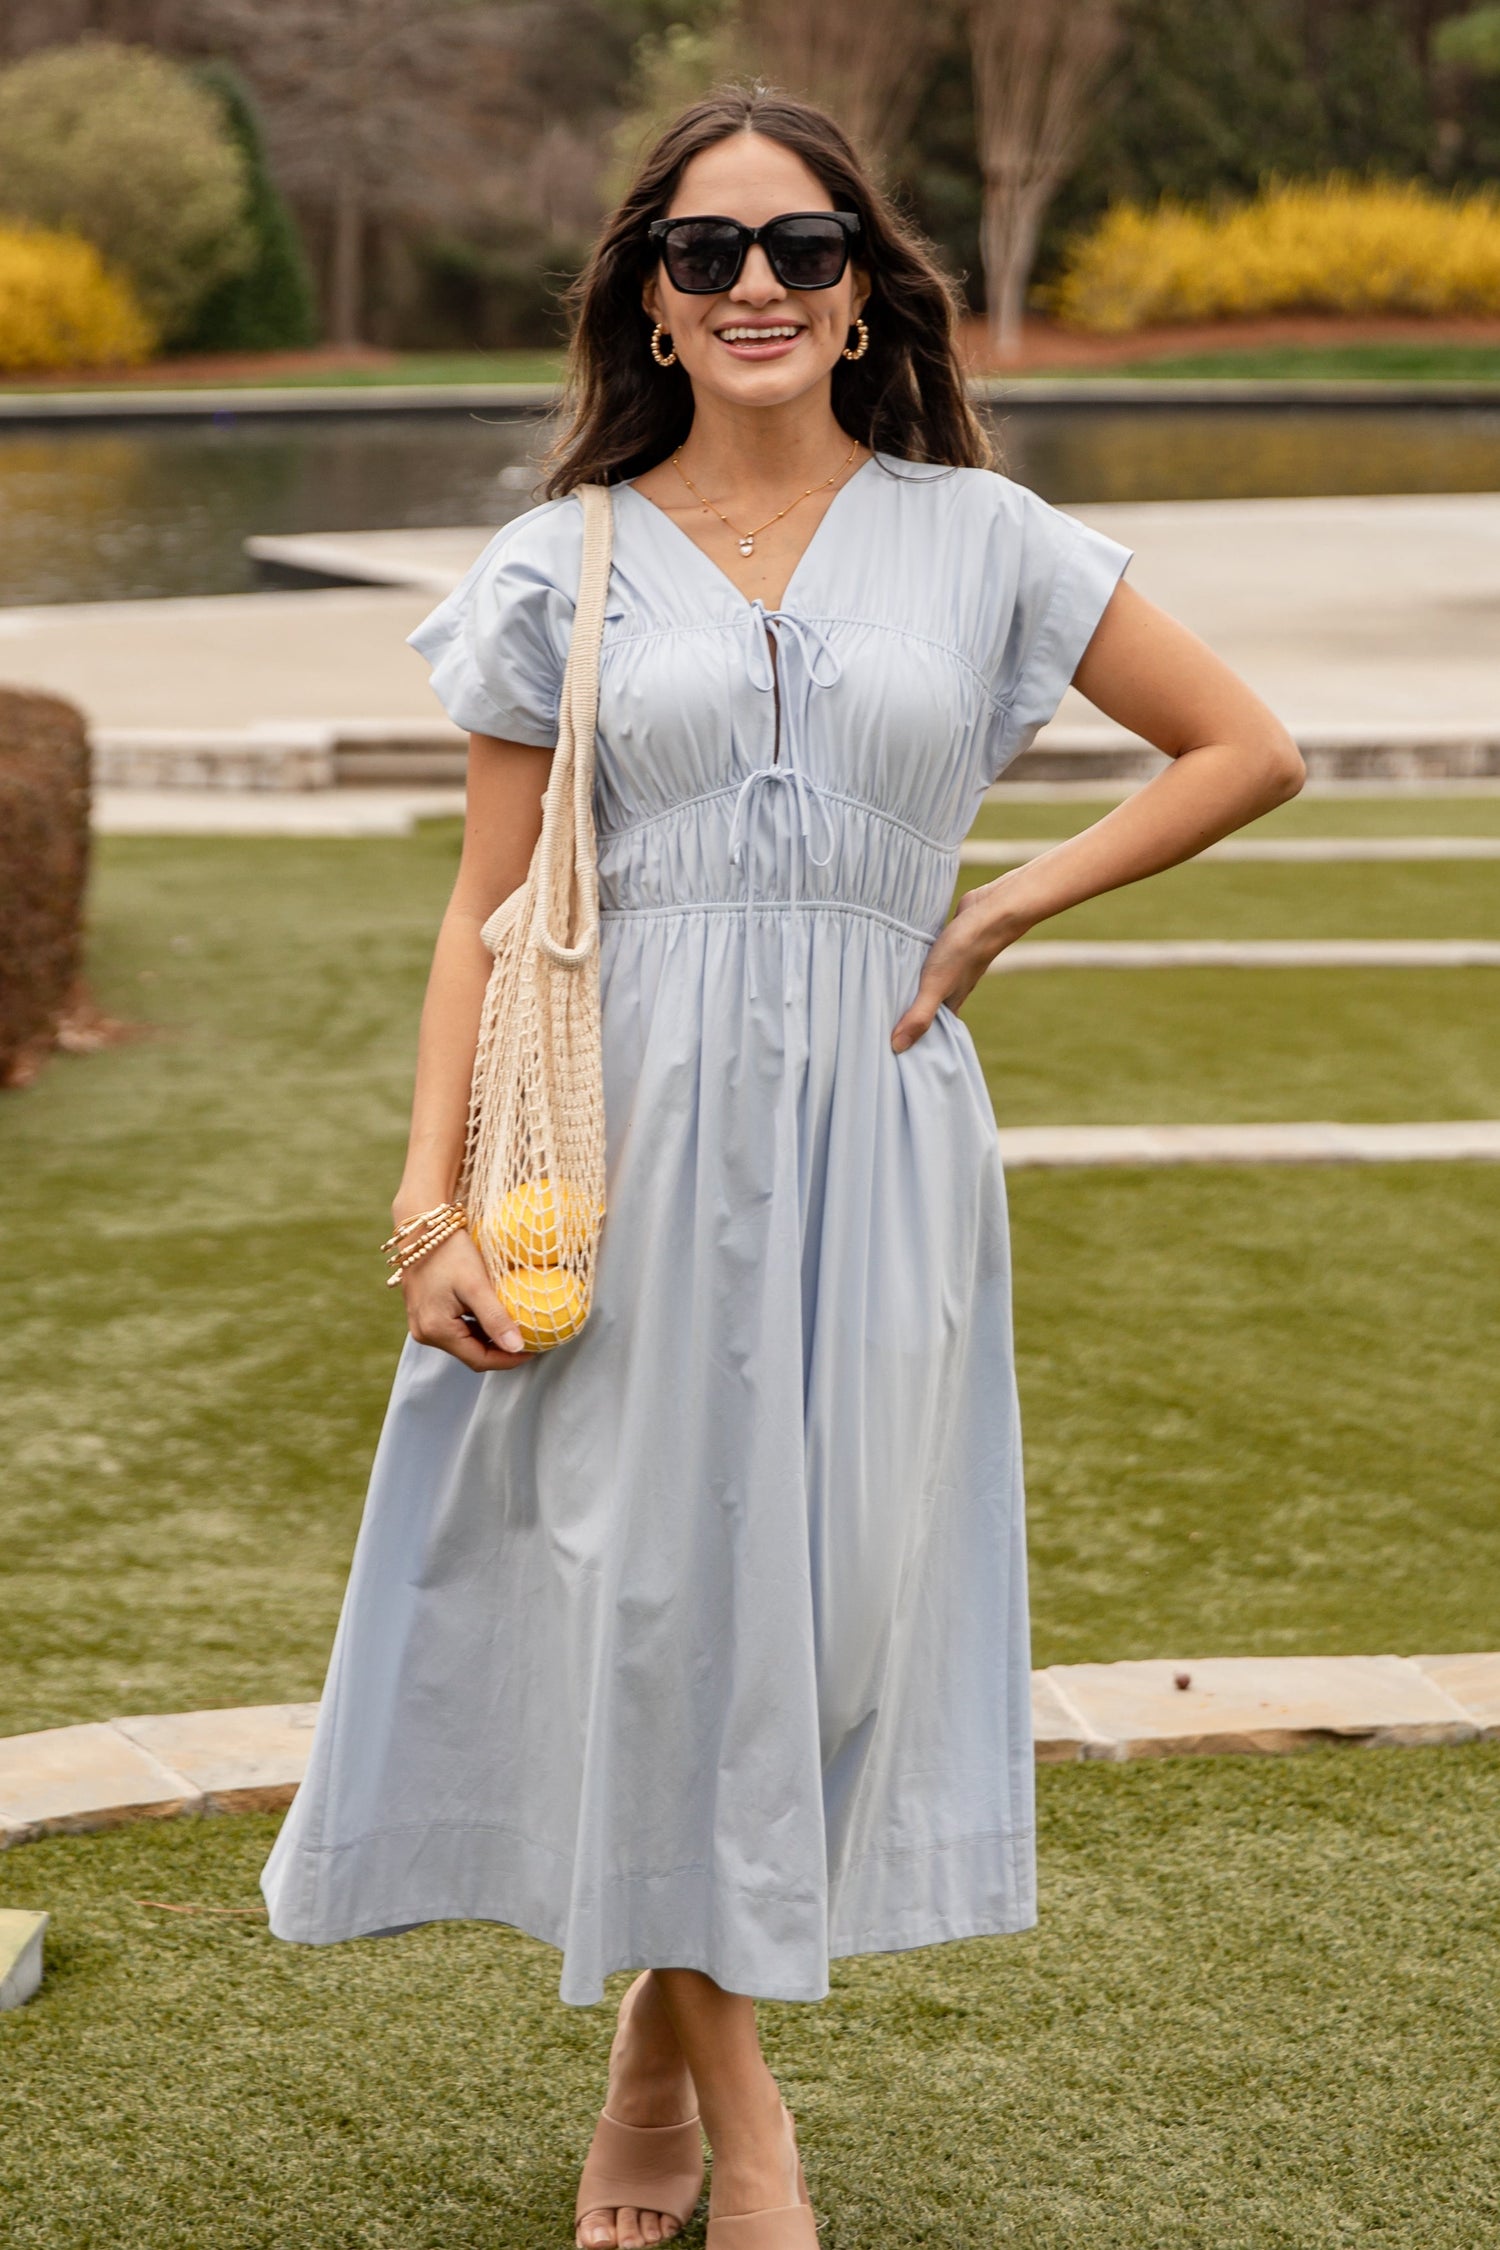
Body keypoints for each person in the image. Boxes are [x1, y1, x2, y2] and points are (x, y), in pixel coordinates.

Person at [260, 83, 1304, 2250]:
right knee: (656, 1614)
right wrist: (426, 1194)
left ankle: (646, 2062)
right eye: (710, 252)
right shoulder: (562, 557)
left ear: (858, 296)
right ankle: (743, 2131)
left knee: (821, 1635)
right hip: (617, 1141)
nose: (756, 283)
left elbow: (1247, 747)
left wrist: (1007, 901)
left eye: (802, 250)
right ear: (650, 299)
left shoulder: (985, 535)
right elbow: (485, 899)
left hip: (881, 1126)